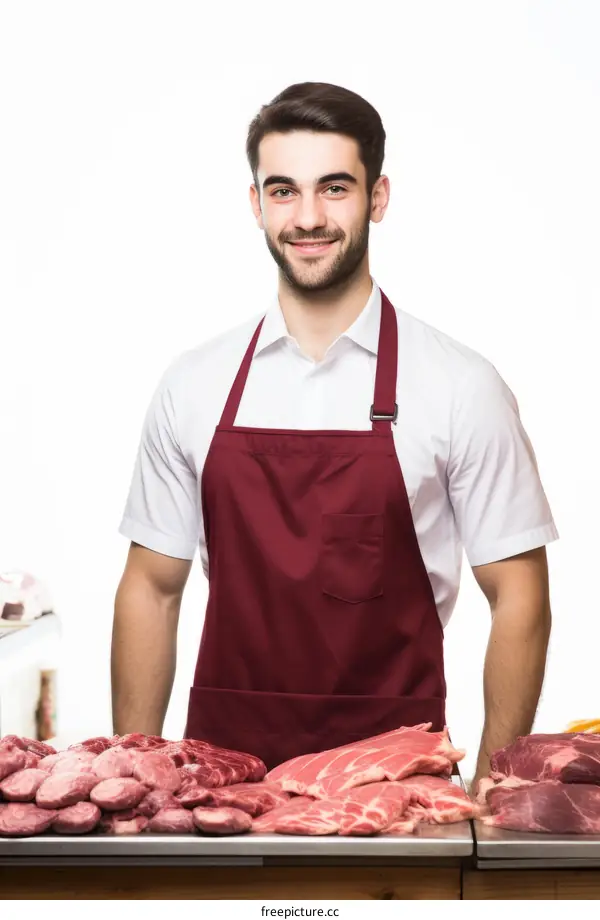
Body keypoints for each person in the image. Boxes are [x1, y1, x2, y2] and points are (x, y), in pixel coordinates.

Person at [111, 82, 558, 790]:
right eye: (284, 191)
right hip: (224, 788)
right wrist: (131, 777)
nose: (309, 217)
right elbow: (151, 587)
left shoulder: (459, 384)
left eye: (336, 188)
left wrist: (491, 784)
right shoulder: (193, 383)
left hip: (396, 789)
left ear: (378, 198)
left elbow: (520, 590)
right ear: (256, 204)